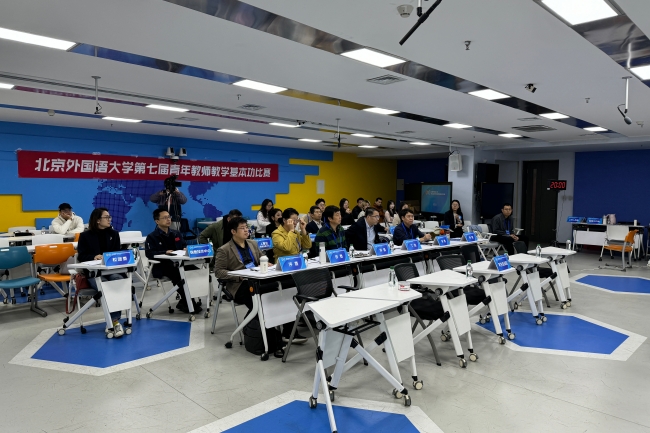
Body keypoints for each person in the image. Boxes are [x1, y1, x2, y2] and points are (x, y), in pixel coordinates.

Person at [214, 217, 308, 350]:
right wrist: (239, 275)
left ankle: (288, 332)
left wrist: (266, 263)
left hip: (259, 279)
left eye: (247, 227)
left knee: (283, 294)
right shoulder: (224, 249)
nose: (246, 230)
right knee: (263, 305)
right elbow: (219, 272)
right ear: (233, 231)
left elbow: (261, 259)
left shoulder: (252, 243)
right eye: (242, 228)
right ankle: (270, 339)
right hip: (240, 285)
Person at [77, 207, 126, 338]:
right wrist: (94, 257)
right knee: (105, 285)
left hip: (112, 270)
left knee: (117, 280)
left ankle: (113, 321)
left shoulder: (114, 234)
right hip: (95, 273)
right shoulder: (85, 236)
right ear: (98, 220)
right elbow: (81, 256)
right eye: (106, 217)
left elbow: (117, 253)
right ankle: (114, 322)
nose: (109, 219)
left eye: (110, 217)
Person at [145, 209, 201, 314]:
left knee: (197, 272)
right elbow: (149, 253)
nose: (168, 219)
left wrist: (185, 249)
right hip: (162, 266)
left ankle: (188, 299)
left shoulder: (176, 233)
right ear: (157, 221)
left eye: (169, 217)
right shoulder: (152, 237)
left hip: (179, 263)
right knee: (179, 275)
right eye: (165, 218)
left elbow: (183, 245)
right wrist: (164, 252)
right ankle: (189, 301)